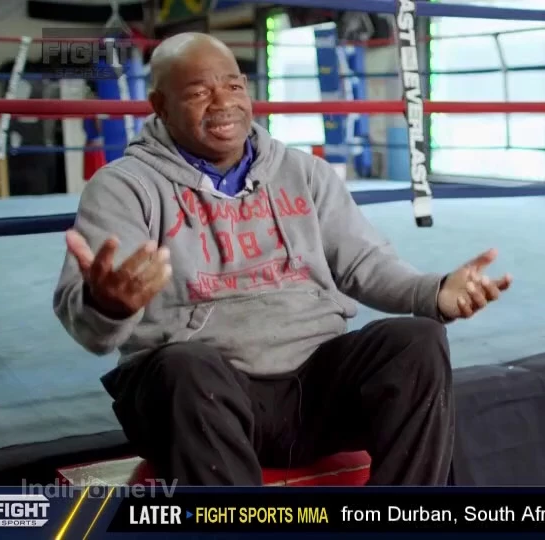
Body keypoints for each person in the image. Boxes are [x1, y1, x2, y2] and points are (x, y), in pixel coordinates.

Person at [52, 33, 512, 486]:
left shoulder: (303, 173)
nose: (223, 102)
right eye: (198, 92)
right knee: (183, 367)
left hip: (313, 392)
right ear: (160, 105)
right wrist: (108, 305)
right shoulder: (125, 187)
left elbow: (364, 261)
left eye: (233, 86)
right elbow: (93, 326)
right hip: (204, 401)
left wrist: (434, 291)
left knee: (418, 341)